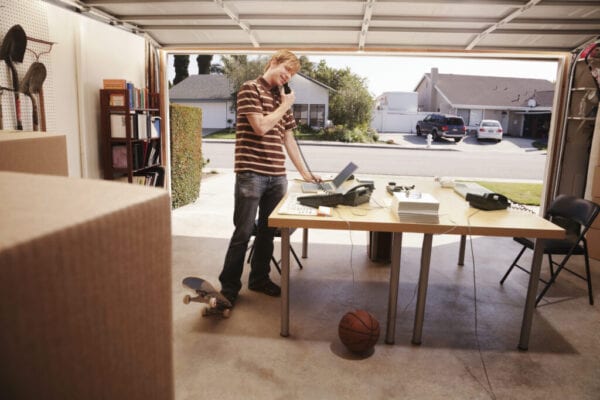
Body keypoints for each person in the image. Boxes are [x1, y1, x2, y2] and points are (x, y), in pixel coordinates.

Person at [218, 50, 319, 306]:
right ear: (273, 62)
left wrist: (306, 174)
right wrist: (285, 105)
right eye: (286, 70)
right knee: (242, 233)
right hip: (251, 173)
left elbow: (288, 138)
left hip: (277, 176)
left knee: (267, 232)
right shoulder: (249, 88)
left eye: (292, 75)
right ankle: (228, 288)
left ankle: (259, 279)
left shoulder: (279, 97)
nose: (287, 77)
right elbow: (260, 127)